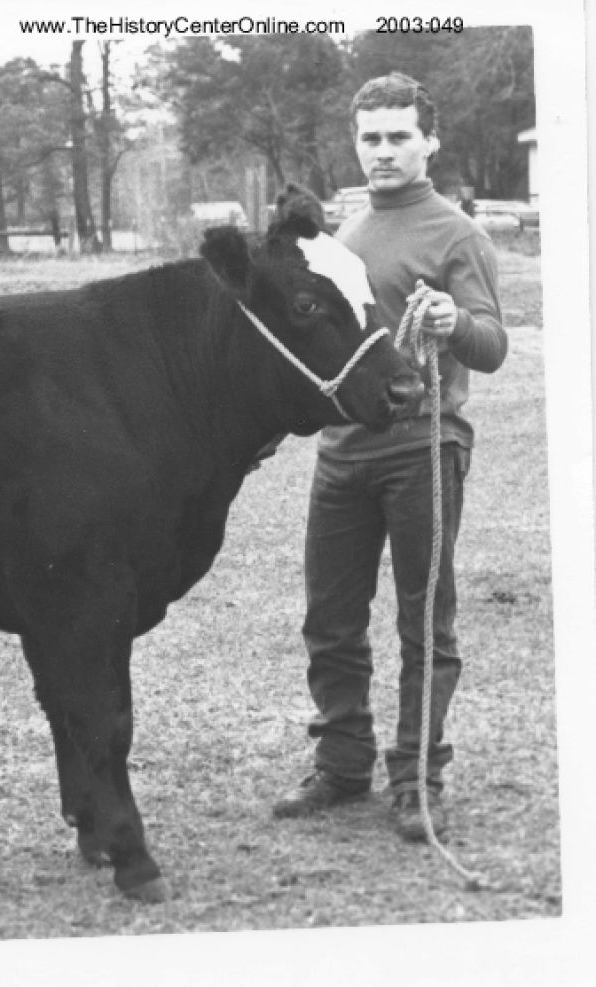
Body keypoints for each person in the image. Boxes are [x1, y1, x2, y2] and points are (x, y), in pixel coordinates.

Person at [273, 73, 508, 841]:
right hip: (342, 453)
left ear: (429, 141)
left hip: (424, 450)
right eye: (370, 137)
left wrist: (452, 321)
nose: (383, 151)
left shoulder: (458, 235)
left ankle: (416, 778)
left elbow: (492, 344)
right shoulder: (342, 235)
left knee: (424, 623)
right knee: (330, 619)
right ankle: (342, 765)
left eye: (398, 136)